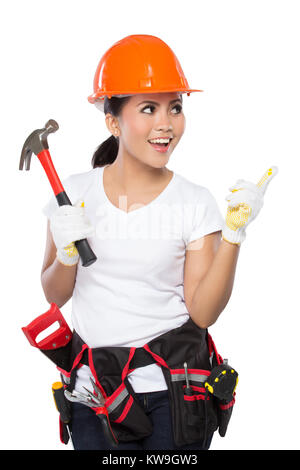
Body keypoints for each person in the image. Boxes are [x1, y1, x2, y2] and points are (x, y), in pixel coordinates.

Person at [41, 34, 277, 451]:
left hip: (173, 394)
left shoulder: (193, 202)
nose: (165, 123)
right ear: (112, 120)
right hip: (93, 396)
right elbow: (56, 294)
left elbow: (203, 312)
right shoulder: (74, 195)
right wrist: (65, 253)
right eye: (148, 108)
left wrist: (233, 236)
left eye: (176, 107)